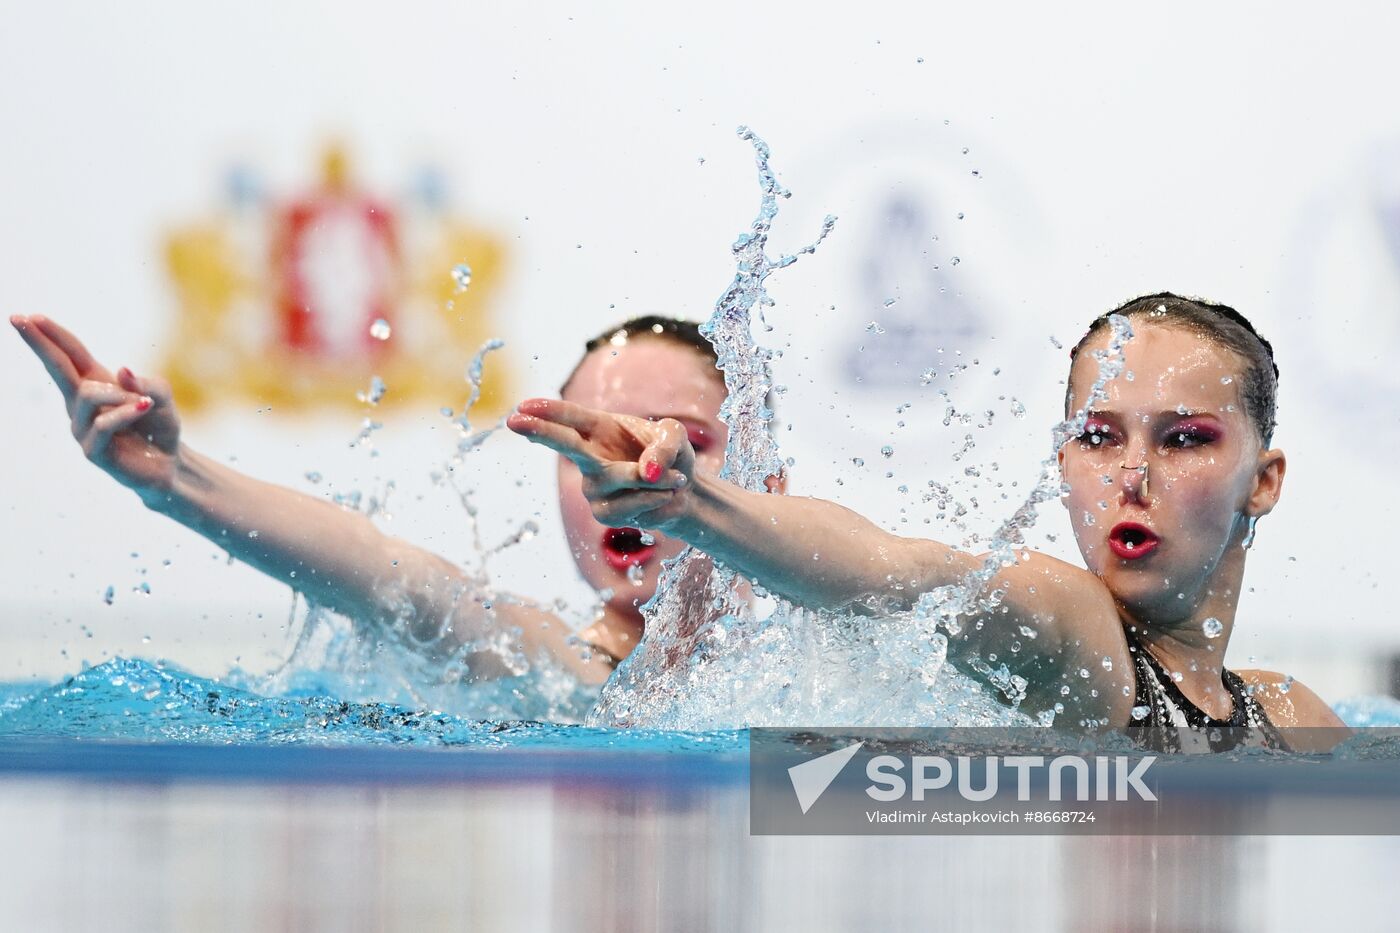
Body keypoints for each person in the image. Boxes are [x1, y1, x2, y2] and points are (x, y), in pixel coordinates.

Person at [509, 293, 1347, 743]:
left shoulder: (1296, 718)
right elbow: (894, 570)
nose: (1131, 474)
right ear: (1063, 464)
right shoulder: (1075, 634)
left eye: (1184, 439)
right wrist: (692, 503)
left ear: (1264, 479)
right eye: (1097, 437)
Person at [10, 313, 731, 689]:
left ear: (773, 482)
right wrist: (178, 477)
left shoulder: (833, 665)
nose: (633, 466)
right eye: (587, 440)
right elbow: (391, 578)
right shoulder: (552, 673)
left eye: (684, 437)